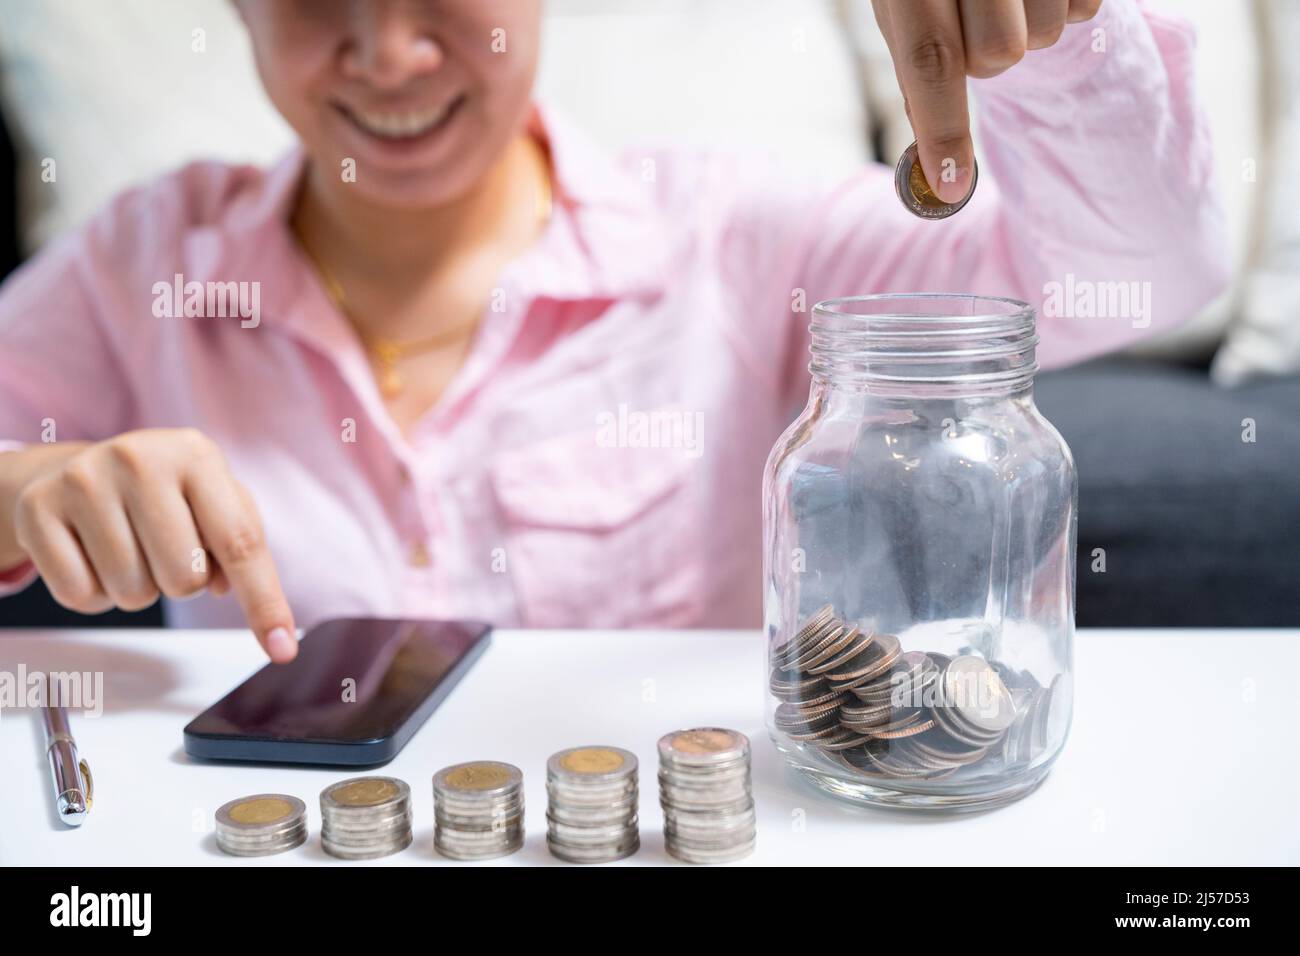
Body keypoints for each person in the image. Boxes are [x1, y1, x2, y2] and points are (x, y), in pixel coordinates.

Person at [0, 0, 1225, 662]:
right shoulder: (142, 263)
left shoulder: (738, 237)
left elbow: (1138, 273)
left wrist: (1057, 43)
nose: (387, 53)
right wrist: (24, 489)